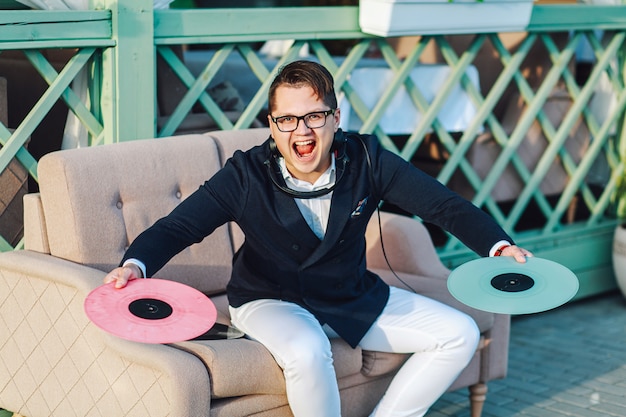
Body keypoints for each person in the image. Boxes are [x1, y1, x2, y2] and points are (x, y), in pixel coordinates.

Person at [104, 60, 532, 417]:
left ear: (335, 117)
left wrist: (499, 246)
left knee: (459, 332)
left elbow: (443, 205)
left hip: (349, 295)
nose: (301, 132)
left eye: (313, 116)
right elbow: (180, 226)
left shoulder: (368, 158)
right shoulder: (244, 174)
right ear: (272, 124)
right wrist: (135, 264)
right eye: (287, 119)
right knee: (308, 350)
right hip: (270, 299)